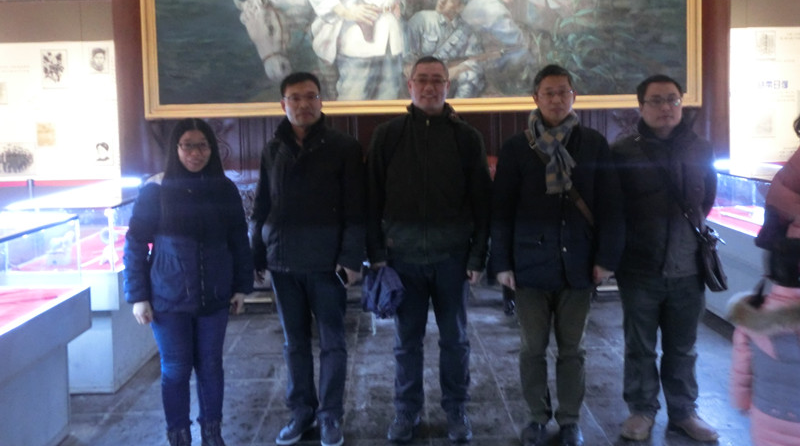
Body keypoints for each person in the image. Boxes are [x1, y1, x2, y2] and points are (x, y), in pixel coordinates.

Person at [490, 64, 624, 446]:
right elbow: (501, 210)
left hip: (577, 264)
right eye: (548, 93)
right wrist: (502, 263)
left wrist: (606, 259)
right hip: (529, 266)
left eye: (563, 92)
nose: (556, 99)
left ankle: (569, 421)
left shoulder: (593, 144)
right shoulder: (517, 148)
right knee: (532, 349)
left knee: (573, 350)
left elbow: (611, 205)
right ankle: (536, 417)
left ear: (573, 96)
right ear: (535, 97)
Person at [366, 55, 491, 444]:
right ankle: (406, 410)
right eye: (422, 79)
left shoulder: (466, 138)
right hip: (402, 258)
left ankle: (456, 409)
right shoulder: (387, 135)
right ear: (410, 85)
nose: (430, 86)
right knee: (406, 342)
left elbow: (482, 204)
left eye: (437, 80)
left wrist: (478, 256)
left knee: (455, 339)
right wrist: (377, 255)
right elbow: (371, 199)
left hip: (452, 257)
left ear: (448, 86)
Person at [250, 71, 366, 446]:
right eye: (295, 98)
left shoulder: (344, 147)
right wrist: (257, 254)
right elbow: (262, 205)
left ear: (321, 101)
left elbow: (356, 208)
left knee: (333, 343)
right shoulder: (273, 149)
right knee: (294, 344)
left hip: (327, 264)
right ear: (283, 104)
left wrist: (351, 258)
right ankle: (301, 412)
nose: (303, 104)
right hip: (283, 262)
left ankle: (330, 415)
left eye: (310, 96)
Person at [123, 118, 254, 446]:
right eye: (188, 146)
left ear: (212, 149)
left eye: (203, 146)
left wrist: (241, 287)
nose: (196, 153)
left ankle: (212, 433)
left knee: (210, 366)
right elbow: (135, 243)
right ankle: (178, 435)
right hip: (167, 298)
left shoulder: (224, 189)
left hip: (215, 295)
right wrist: (138, 296)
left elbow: (239, 240)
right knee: (176, 369)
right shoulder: (156, 190)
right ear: (176, 148)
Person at [611, 74, 719, 443]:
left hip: (688, 266)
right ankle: (642, 410)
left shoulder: (701, 148)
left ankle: (684, 412)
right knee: (639, 346)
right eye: (656, 100)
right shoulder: (623, 151)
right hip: (639, 266)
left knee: (683, 347)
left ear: (681, 104)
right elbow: (614, 208)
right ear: (640, 106)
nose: (665, 107)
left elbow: (706, 201)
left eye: (672, 99)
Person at [729, 243, 800, 446]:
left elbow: (741, 372)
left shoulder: (750, 319)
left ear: (768, 274)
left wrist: (742, 402)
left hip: (765, 418)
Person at [405, 0, 484, 98]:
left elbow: (476, 61)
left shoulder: (467, 32)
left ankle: (460, 106)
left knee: (471, 75)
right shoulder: (421, 19)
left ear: (460, 7)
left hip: (449, 81)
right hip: (421, 78)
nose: (442, 0)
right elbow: (407, 56)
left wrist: (457, 70)